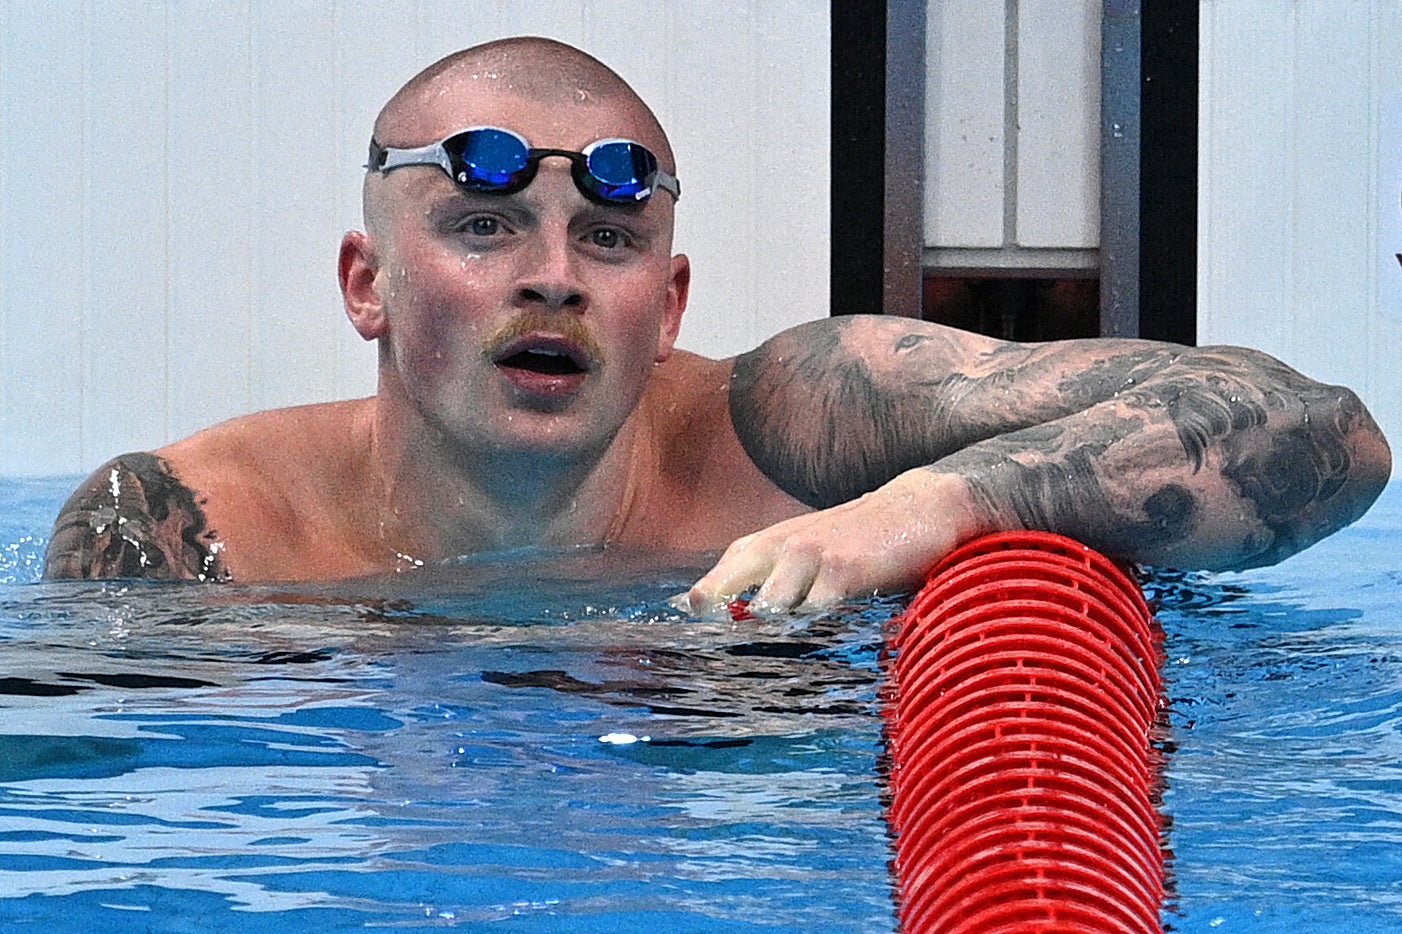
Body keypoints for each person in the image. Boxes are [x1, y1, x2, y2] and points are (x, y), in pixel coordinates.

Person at [43, 37, 1392, 614]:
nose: (556, 276)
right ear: (365, 284)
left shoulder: (798, 424)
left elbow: (1325, 431)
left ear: (668, 303)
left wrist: (930, 508)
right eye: (481, 225)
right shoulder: (188, 531)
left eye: (612, 239)